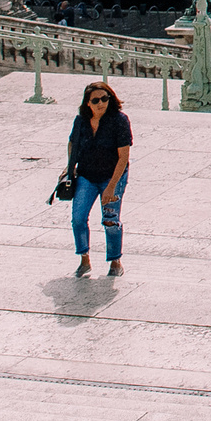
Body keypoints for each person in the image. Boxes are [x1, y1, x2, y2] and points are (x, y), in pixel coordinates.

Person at [66, 80, 132, 278]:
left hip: (113, 177)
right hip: (87, 175)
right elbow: (72, 143)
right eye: (96, 100)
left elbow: (123, 158)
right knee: (78, 218)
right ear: (88, 103)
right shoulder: (81, 121)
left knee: (110, 220)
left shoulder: (119, 120)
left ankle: (115, 261)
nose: (101, 103)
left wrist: (112, 187)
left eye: (105, 98)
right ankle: (84, 259)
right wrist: (71, 166)